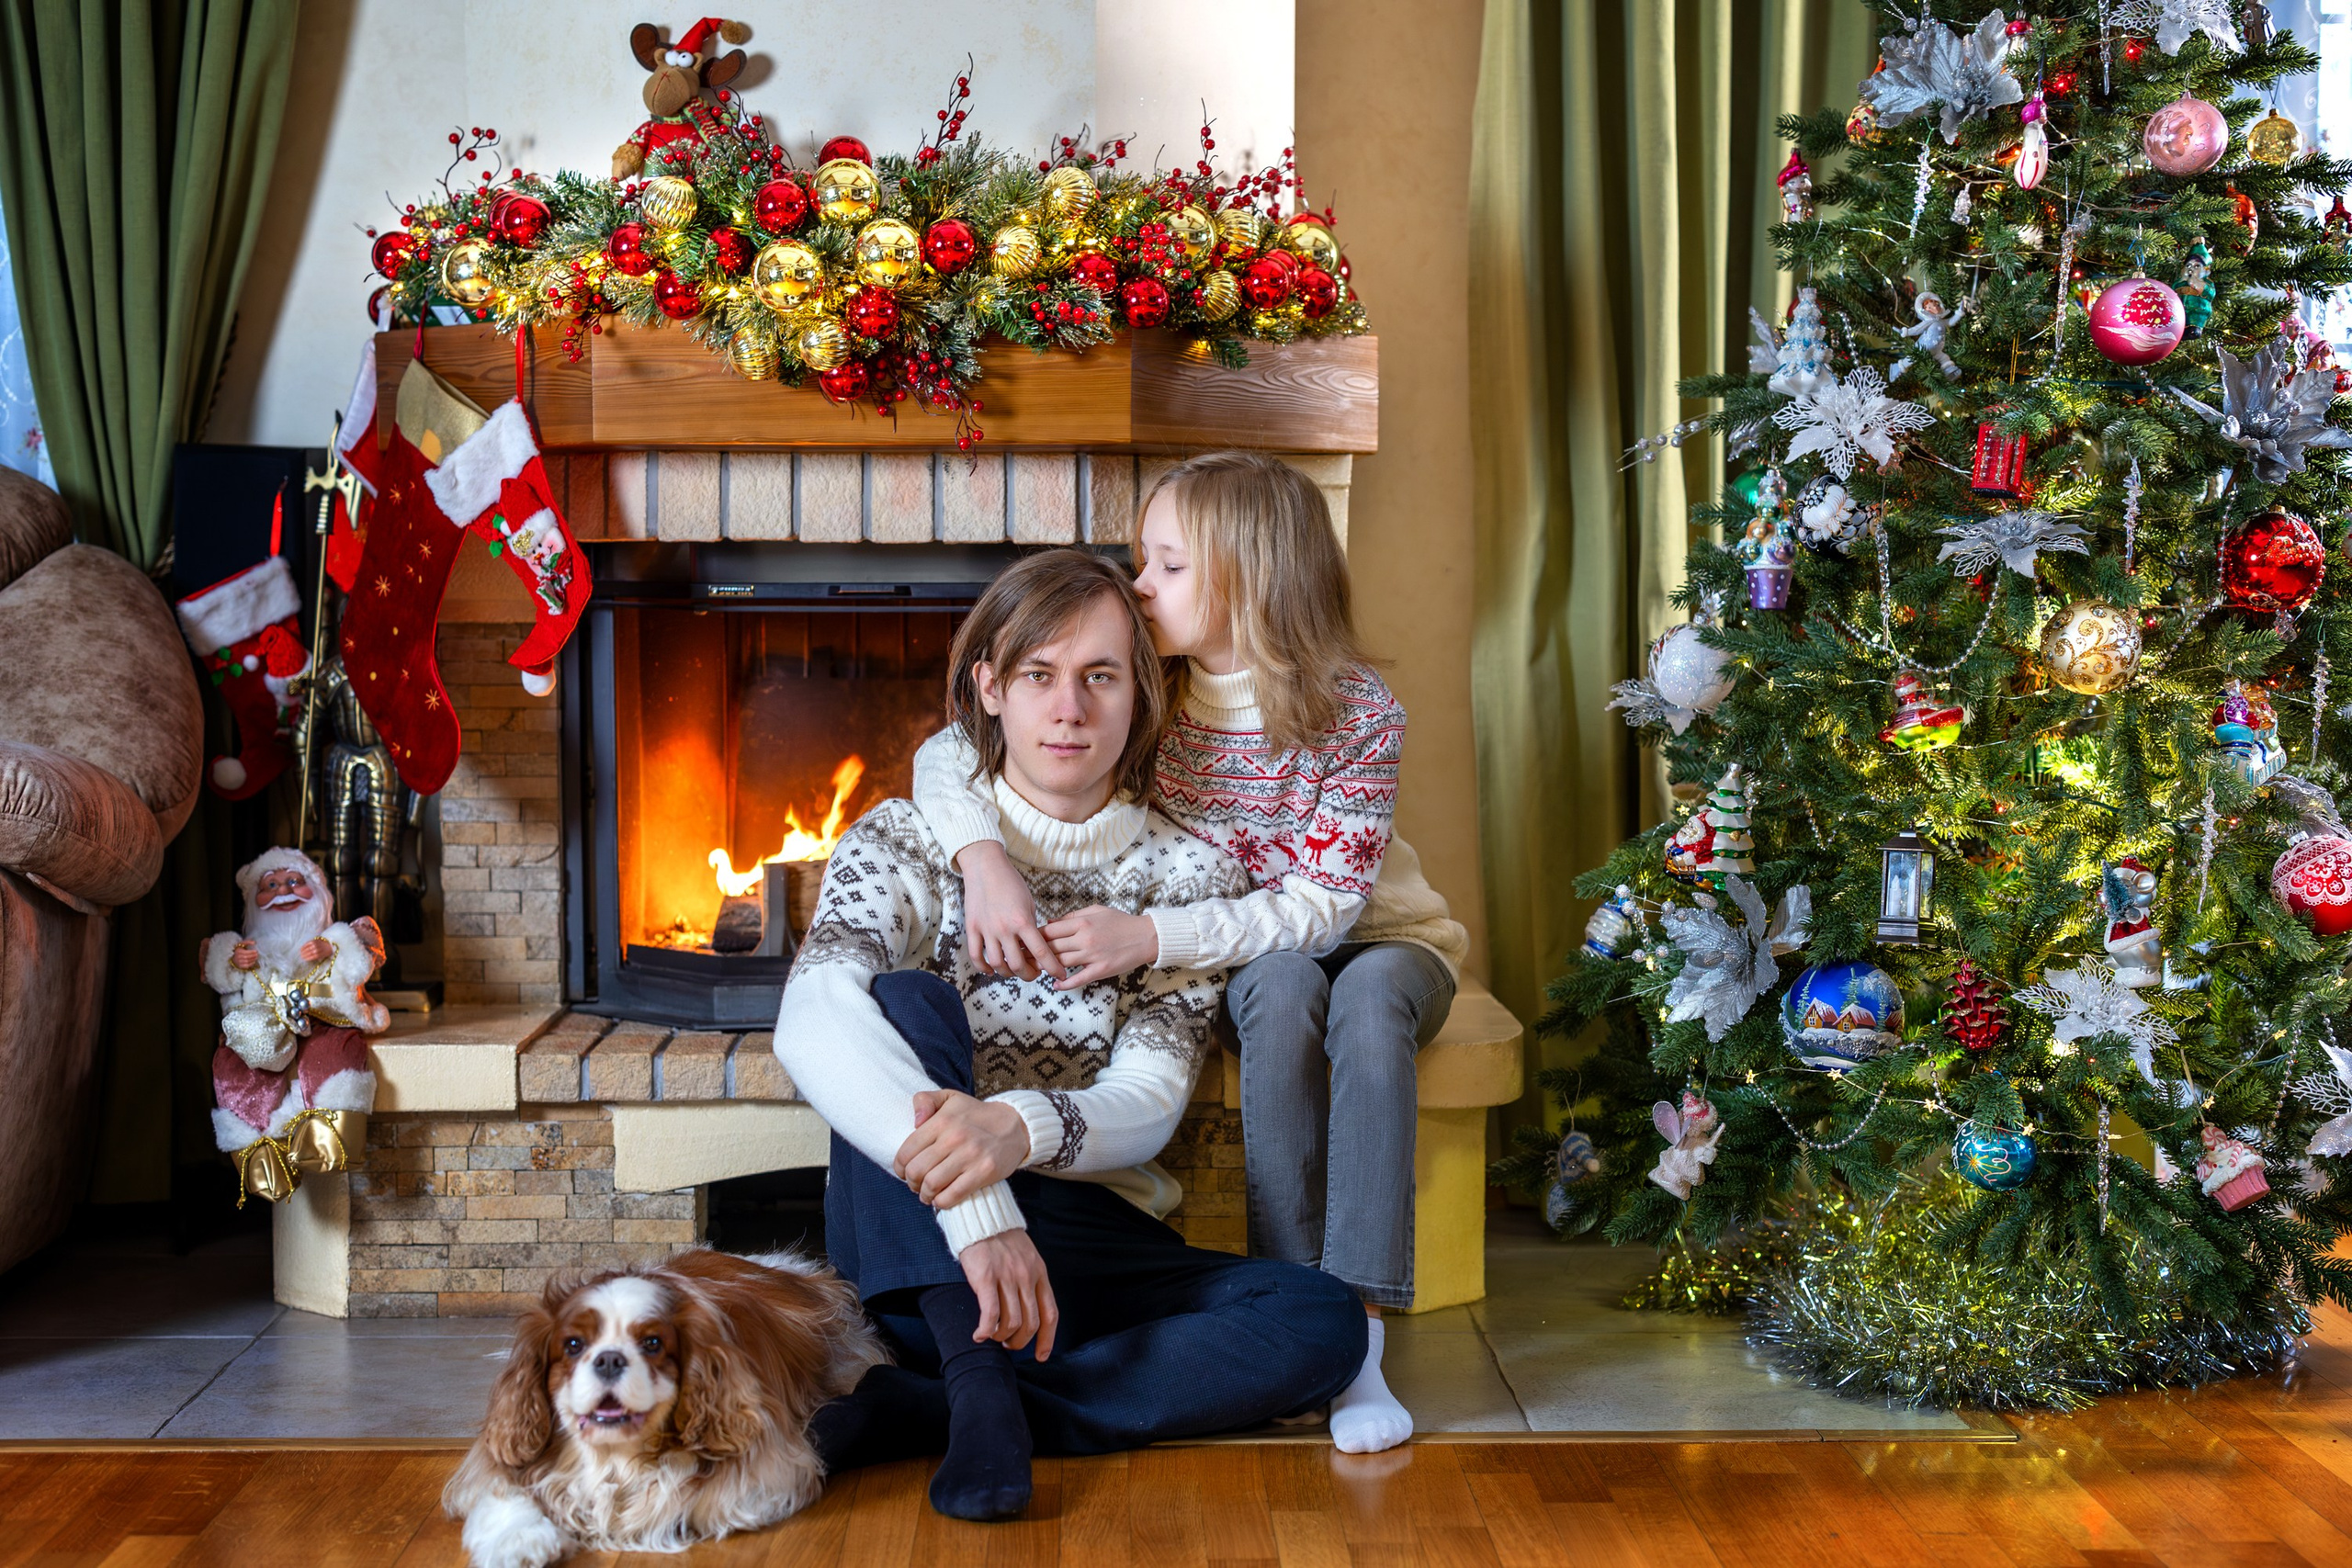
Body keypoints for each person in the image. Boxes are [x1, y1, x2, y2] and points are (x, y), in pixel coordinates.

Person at [775, 548, 1365, 1521]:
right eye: (1039, 676)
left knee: (1320, 1321)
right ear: (990, 689)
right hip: (920, 1236)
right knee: (905, 1006)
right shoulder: (903, 839)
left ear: (1140, 695)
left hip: (1084, 1232)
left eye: (1100, 676)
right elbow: (812, 1019)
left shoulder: (1186, 882)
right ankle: (977, 1388)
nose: (1070, 709)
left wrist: (1015, 1129)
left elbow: (1148, 1102)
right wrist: (983, 1217)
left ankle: (947, 1401)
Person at [913, 452, 1468, 1454]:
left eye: (1165, 566)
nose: (1139, 586)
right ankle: (1298, 1308)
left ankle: (1366, 1333)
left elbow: (1330, 907)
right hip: (1263, 953)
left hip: (1384, 936)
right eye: (1143, 561)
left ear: (1245, 576)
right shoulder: (1153, 693)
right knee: (1284, 988)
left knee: (1370, 994)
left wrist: (1151, 936)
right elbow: (953, 746)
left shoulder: (1357, 711)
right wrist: (983, 858)